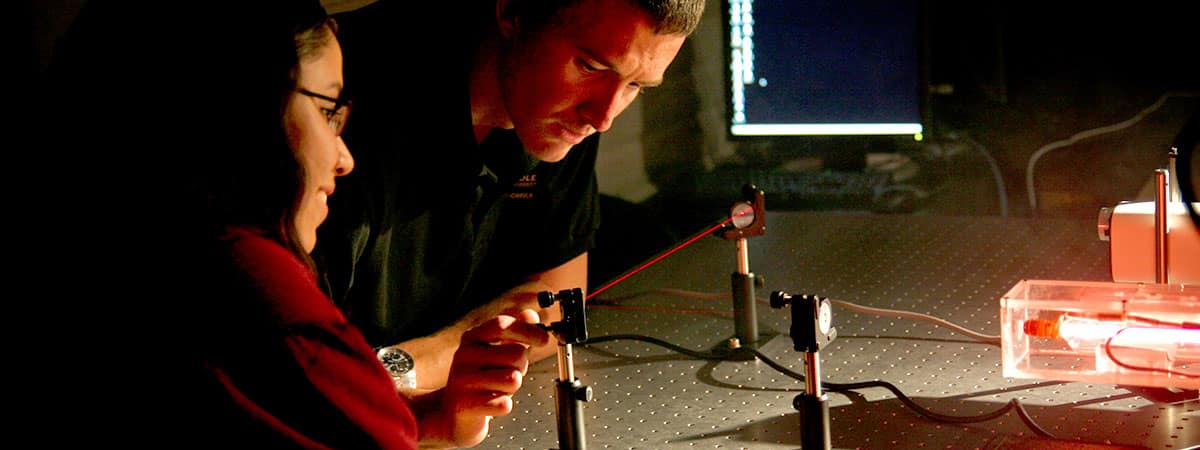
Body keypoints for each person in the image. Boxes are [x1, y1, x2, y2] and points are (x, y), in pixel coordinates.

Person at [36, 0, 547, 447]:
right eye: (328, 111)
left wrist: (427, 418)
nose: (343, 157)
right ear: (244, 107)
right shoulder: (260, 302)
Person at [315, 0, 706, 396]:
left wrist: (404, 368)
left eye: (635, 86)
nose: (603, 117)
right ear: (512, 12)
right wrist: (402, 376)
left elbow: (559, 305)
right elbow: (305, 374)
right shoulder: (336, 96)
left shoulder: (564, 112)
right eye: (591, 66)